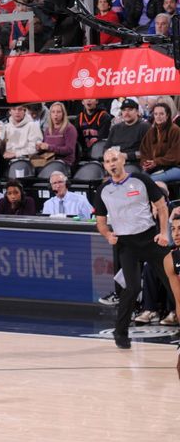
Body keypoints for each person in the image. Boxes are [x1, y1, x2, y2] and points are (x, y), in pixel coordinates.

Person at [95, 147, 171, 349]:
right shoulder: (103, 190)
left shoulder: (140, 180)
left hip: (150, 238)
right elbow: (100, 221)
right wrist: (107, 234)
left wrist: (163, 233)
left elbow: (162, 206)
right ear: (105, 166)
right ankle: (120, 334)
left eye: (114, 159)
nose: (111, 164)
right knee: (132, 288)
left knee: (173, 283)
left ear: (121, 161)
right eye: (107, 161)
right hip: (126, 244)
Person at [140, 102, 180, 183]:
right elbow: (144, 151)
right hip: (155, 167)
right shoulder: (151, 131)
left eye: (161, 114)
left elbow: (175, 156)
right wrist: (146, 164)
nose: (158, 117)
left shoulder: (175, 130)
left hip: (175, 167)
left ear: (167, 115)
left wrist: (156, 162)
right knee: (140, 180)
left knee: (150, 181)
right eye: (156, 114)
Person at [104, 99, 150, 163]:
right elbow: (106, 149)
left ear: (137, 111)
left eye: (130, 110)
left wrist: (127, 156)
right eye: (124, 110)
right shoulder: (115, 128)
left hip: (135, 163)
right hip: (116, 162)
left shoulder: (144, 127)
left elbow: (149, 151)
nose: (126, 113)